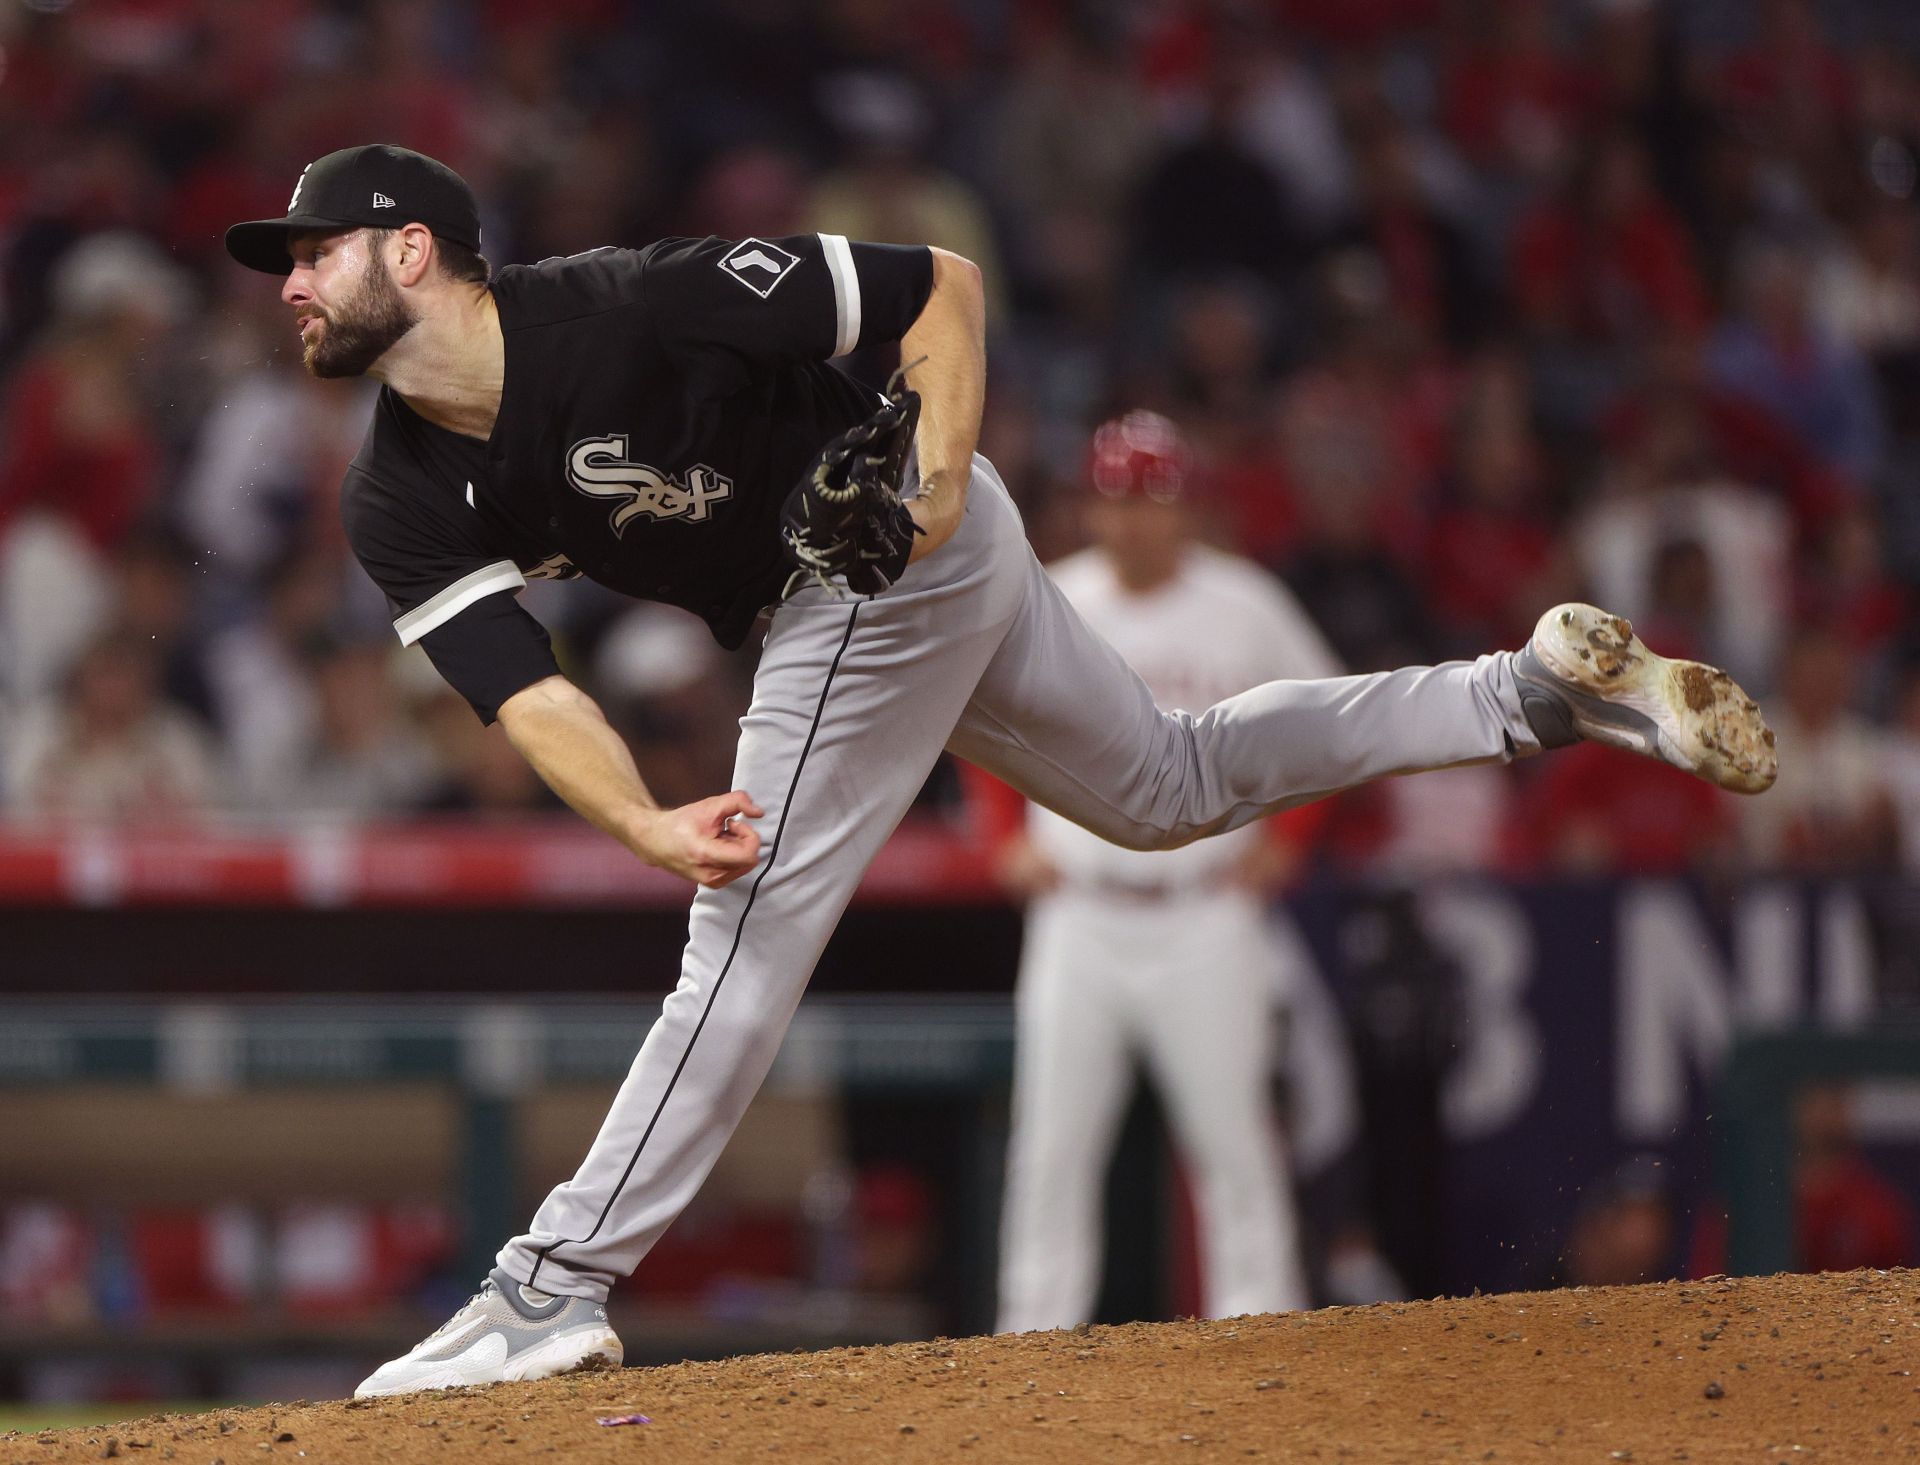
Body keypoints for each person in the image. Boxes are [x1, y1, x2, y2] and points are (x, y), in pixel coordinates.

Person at [222, 144, 1777, 1397]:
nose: (288, 282)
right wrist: (636, 810)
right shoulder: (396, 494)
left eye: (311, 250)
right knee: (1168, 787)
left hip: (887, 558)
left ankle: (546, 1292)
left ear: (411, 249)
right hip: (852, 588)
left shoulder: (624, 302)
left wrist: (940, 473)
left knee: (748, 930)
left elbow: (937, 288)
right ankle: (1528, 695)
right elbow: (520, 688)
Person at [985, 412, 1333, 1331]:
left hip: (1205, 911)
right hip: (1081, 914)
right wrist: (999, 834)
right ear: (1091, 507)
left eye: (1154, 500)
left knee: (1232, 1142)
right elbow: (973, 718)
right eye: (1118, 499)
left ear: (1186, 507)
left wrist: (1289, 841)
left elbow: (1330, 727)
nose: (1136, 519)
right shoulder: (1049, 599)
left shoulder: (1244, 603)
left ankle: (1260, 1327)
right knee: (1052, 1149)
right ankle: (1033, 1337)